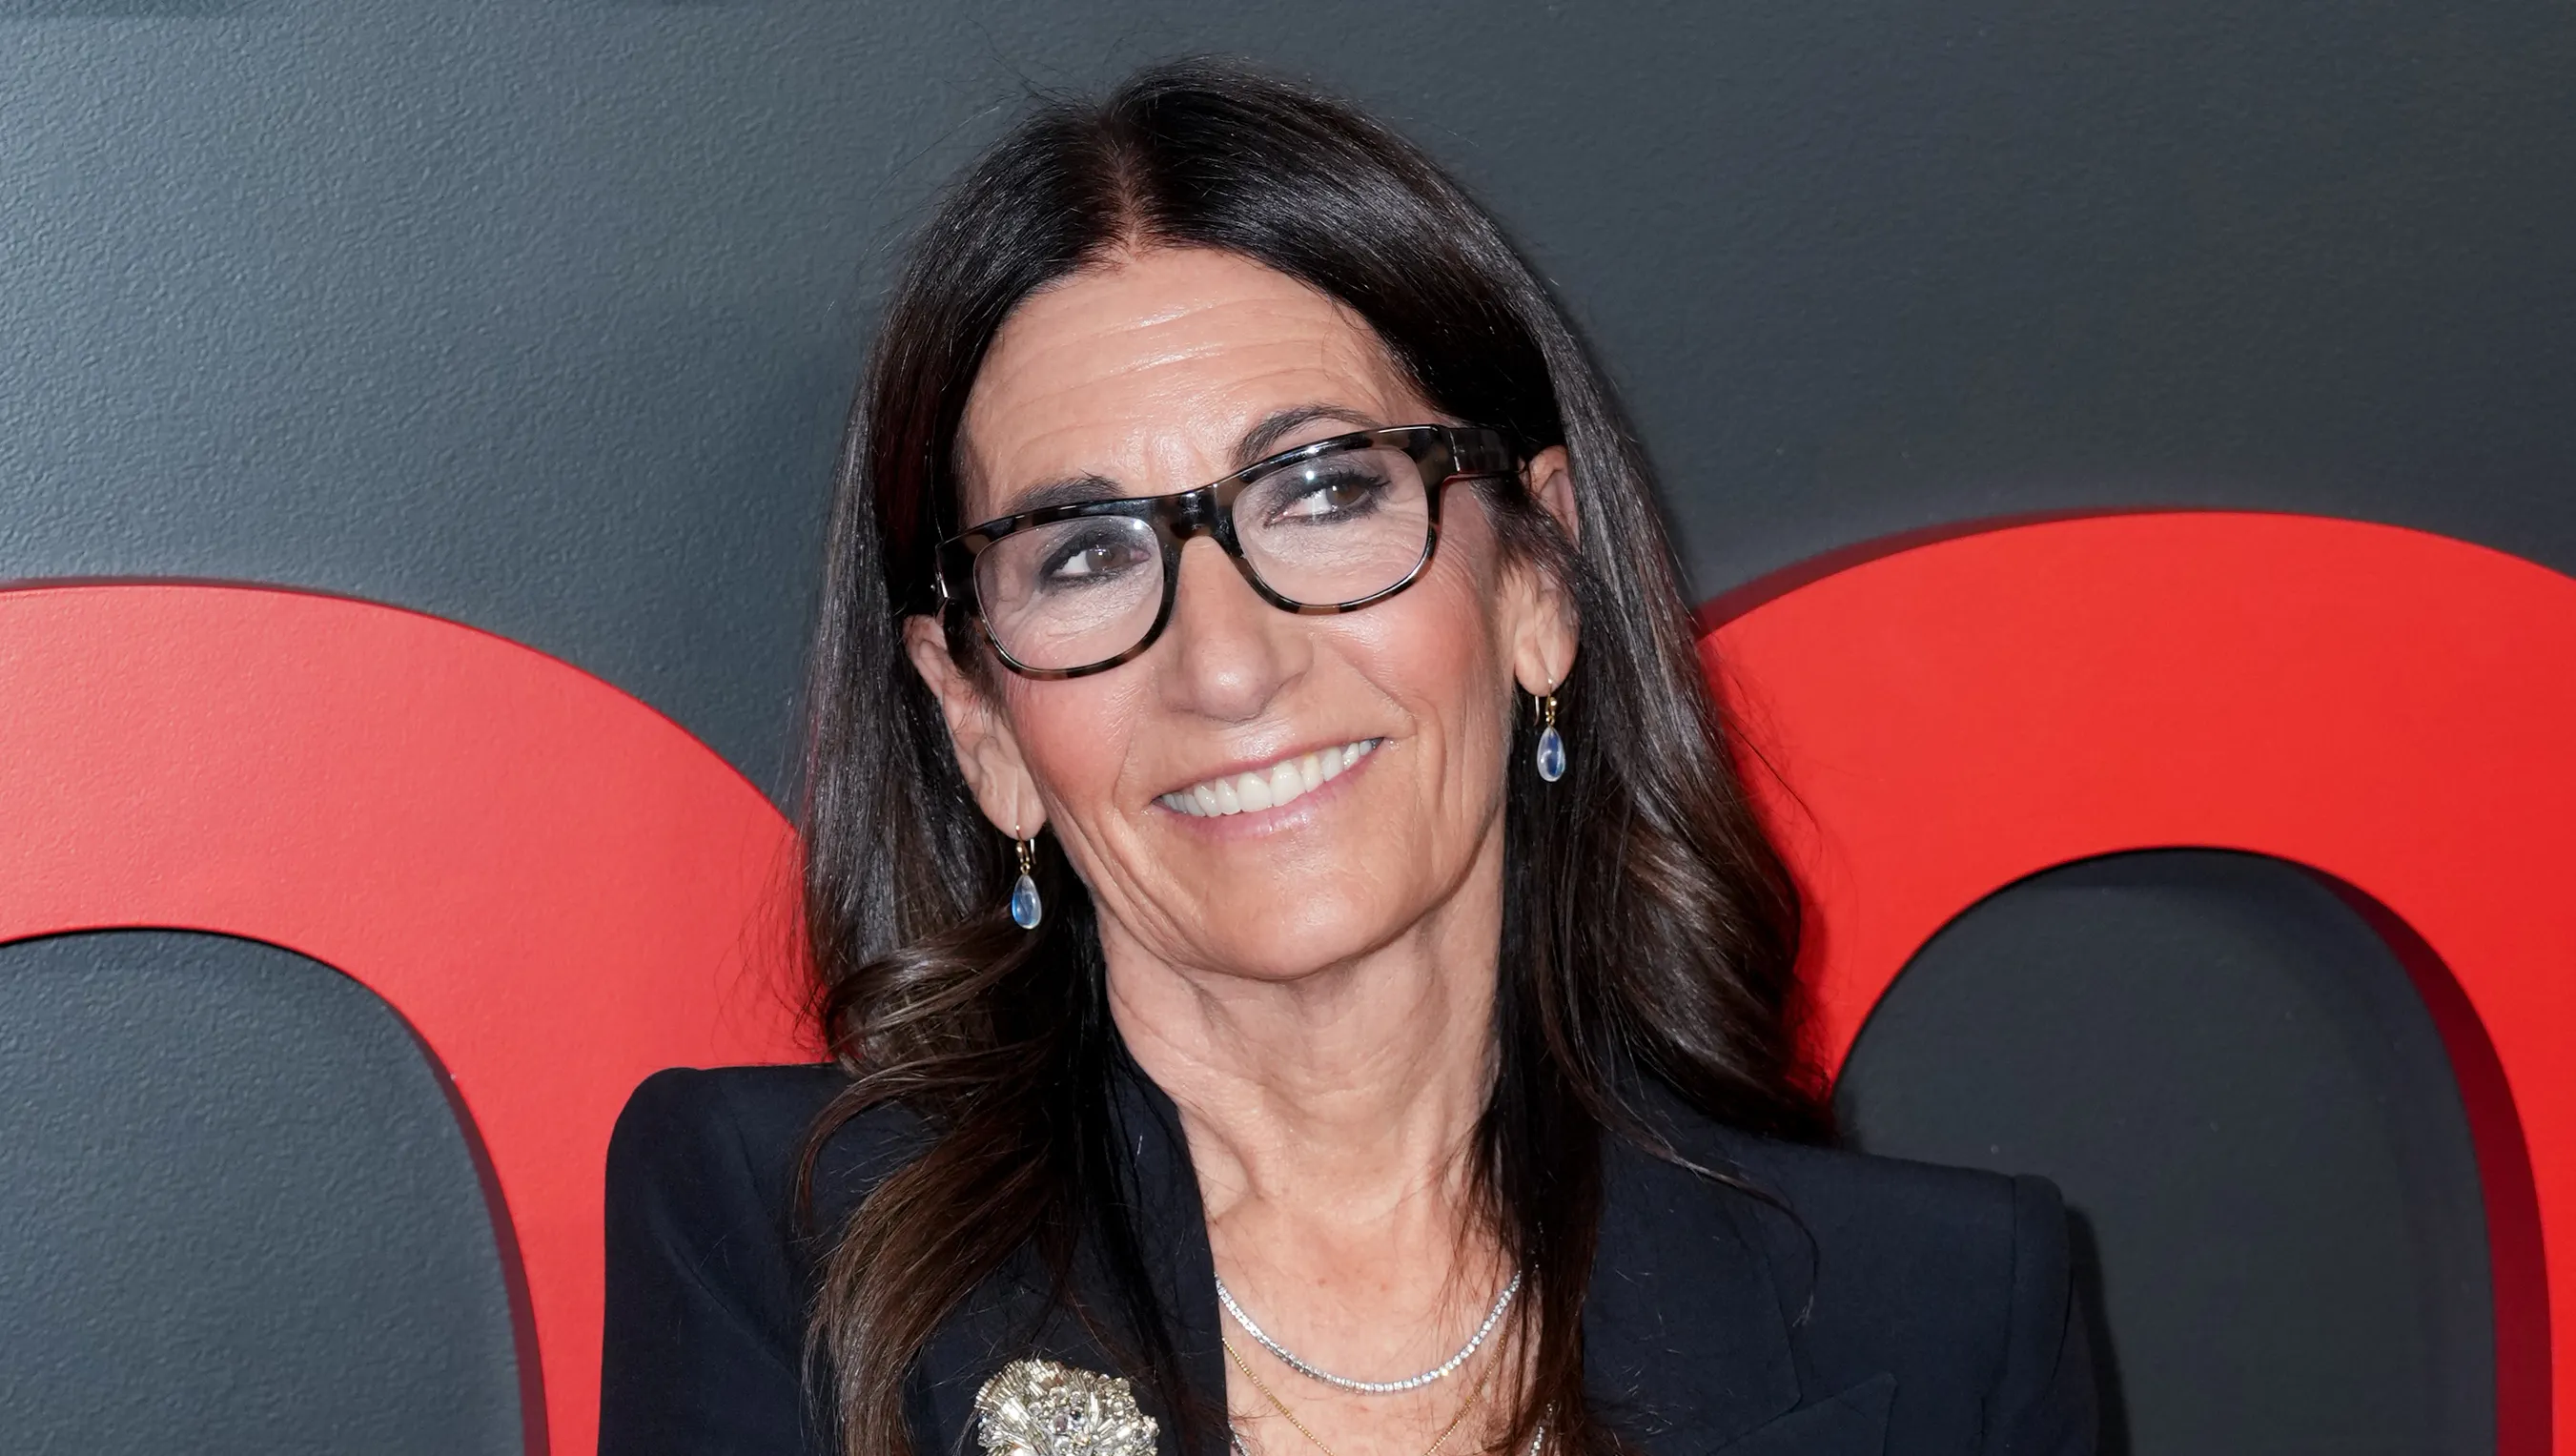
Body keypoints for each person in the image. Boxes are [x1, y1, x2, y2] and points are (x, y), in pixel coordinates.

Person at [600, 59, 2095, 1456]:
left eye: (1320, 493)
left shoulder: (1950, 1310)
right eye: (1085, 556)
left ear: (1537, 583)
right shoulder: (785, 1237)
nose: (1230, 662)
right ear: (979, 722)